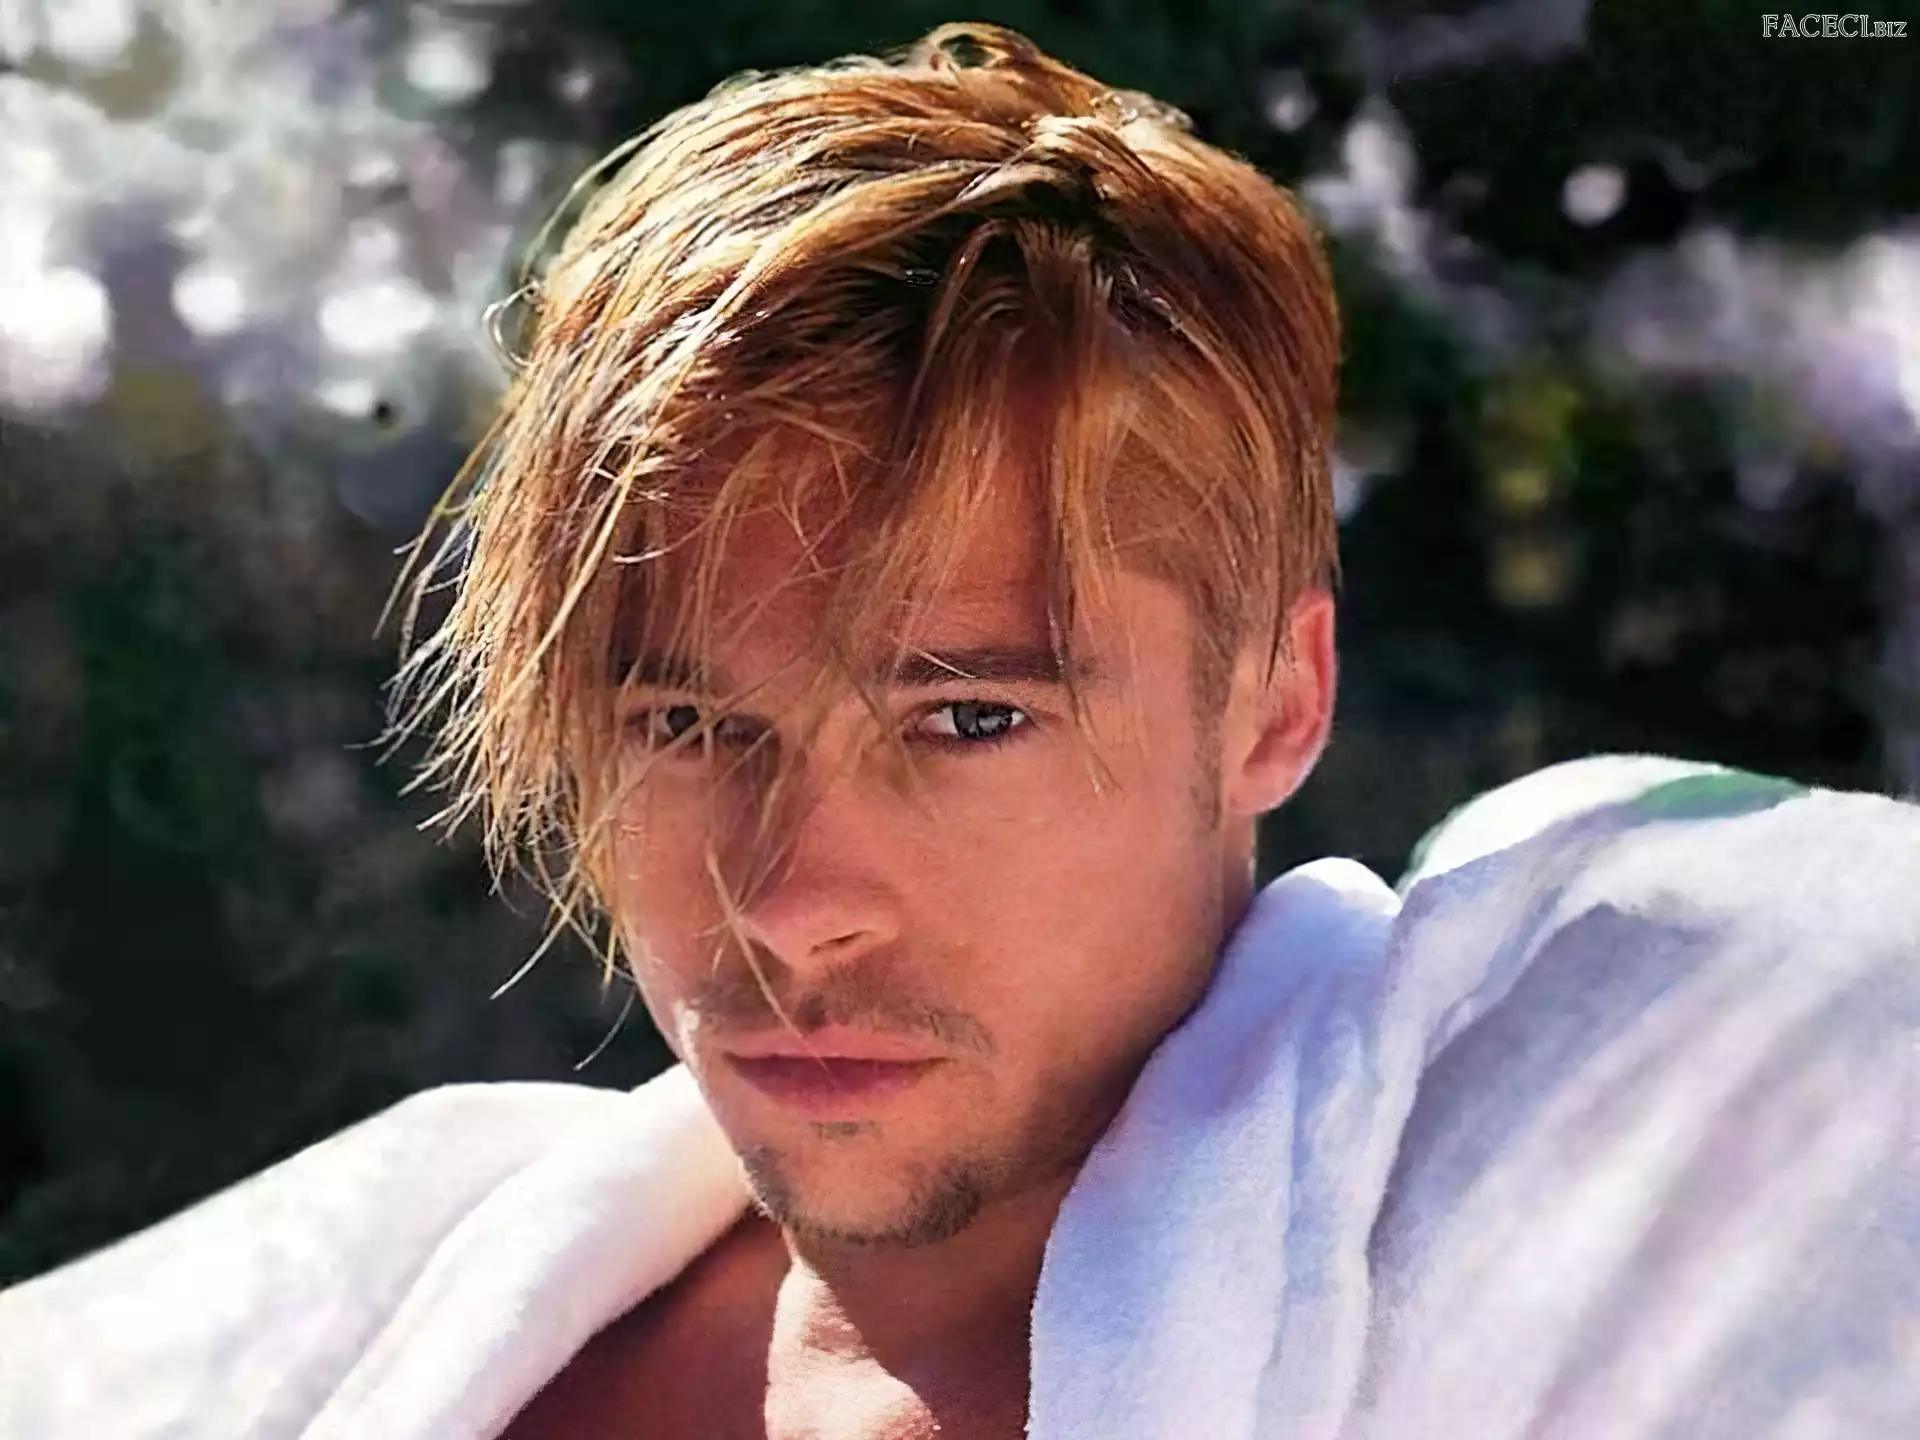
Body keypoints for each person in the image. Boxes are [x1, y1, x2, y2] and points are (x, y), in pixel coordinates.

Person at [2, 23, 1915, 1440]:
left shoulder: (1619, 1192)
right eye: (689, 721)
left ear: (1279, 702)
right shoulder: (324, 1327)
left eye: (968, 715)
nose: (789, 905)